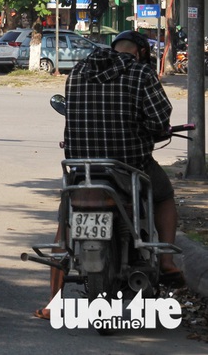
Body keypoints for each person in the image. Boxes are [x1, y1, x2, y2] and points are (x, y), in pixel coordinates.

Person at [35, 29, 181, 316]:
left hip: (82, 171)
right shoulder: (140, 74)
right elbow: (159, 118)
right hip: (129, 167)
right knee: (164, 196)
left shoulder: (77, 72)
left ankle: (53, 302)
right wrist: (154, 129)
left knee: (64, 224)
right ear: (139, 52)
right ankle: (165, 260)